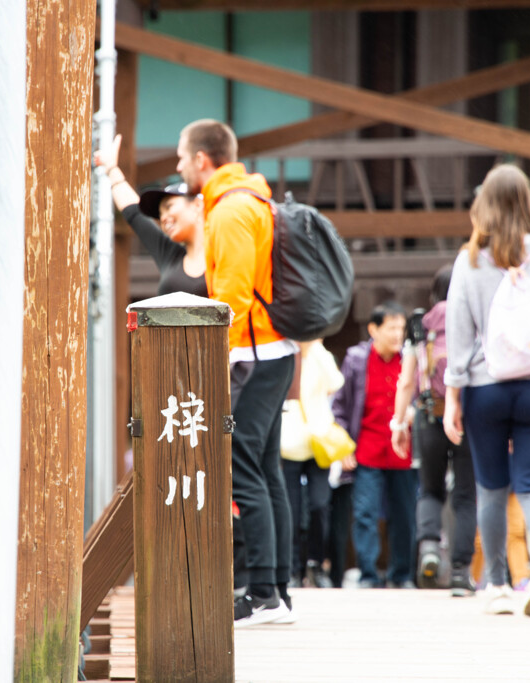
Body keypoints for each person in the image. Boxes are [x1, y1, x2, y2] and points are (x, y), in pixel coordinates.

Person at [443, 164, 530, 617]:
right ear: (529, 198)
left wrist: (452, 394)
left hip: (486, 387)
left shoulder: (472, 258)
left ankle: (498, 584)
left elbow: (458, 331)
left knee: (490, 487)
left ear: (484, 204)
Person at [176, 119, 296, 627]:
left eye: (183, 158)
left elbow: (233, 293)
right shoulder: (252, 200)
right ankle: (276, 590)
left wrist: (216, 355)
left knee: (242, 468)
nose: (180, 167)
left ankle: (264, 591)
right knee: (265, 470)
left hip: (254, 353)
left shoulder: (230, 210)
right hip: (271, 349)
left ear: (203, 160)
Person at [391, 267, 478, 596]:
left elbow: (405, 381)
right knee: (466, 496)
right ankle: (459, 571)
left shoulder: (421, 325)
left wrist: (400, 424)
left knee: (430, 490)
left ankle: (429, 546)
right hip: (467, 419)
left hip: (429, 415)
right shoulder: (474, 321)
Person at [333, 301, 418, 589]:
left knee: (404, 515)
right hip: (367, 450)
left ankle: (402, 574)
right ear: (373, 329)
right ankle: (368, 574)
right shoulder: (357, 359)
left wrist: (413, 412)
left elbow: (419, 398)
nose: (398, 334)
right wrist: (344, 445)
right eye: (391, 327)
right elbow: (340, 406)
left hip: (403, 453)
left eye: (401, 328)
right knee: (365, 513)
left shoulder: (410, 358)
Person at [94, 134, 207, 298]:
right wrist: (111, 168)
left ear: (197, 205)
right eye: (160, 214)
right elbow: (134, 213)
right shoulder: (171, 255)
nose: (163, 218)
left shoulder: (223, 251)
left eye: (169, 207)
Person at [281, 339, 342, 588]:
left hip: (318, 442)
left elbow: (335, 383)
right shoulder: (283, 351)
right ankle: (293, 568)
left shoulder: (319, 353)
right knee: (291, 511)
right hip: (289, 443)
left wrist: (316, 347)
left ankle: (316, 563)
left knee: (319, 505)